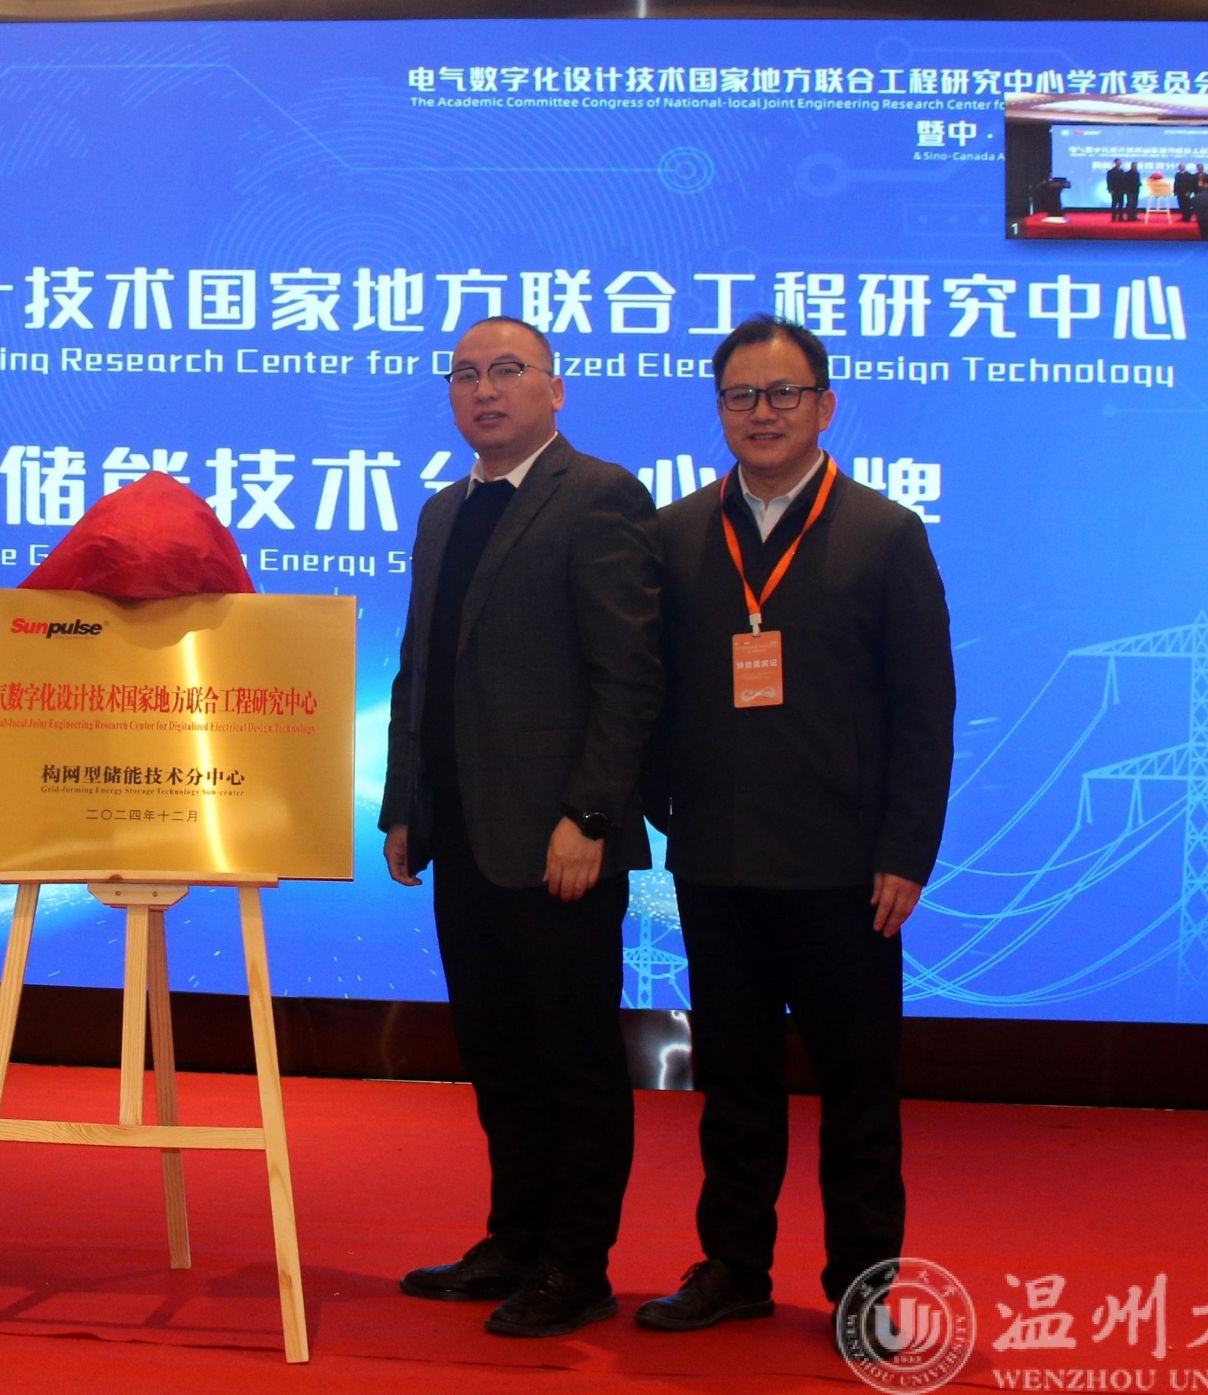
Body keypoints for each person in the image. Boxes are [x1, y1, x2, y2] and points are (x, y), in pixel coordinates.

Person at [637, 316, 953, 1335]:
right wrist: (662, 808)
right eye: (741, 395)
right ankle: (732, 1268)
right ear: (719, 409)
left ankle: (864, 1291)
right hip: (716, 862)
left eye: (782, 394)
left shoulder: (883, 533)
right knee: (733, 1087)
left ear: (824, 405)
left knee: (857, 1095)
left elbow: (924, 710)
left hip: (844, 872)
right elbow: (648, 693)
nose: (761, 413)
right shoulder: (677, 533)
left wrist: (904, 851)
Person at [379, 316, 662, 1338]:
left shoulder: (598, 495)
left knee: (573, 1060)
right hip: (463, 831)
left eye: (506, 371)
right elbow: (419, 668)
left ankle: (577, 1266)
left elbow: (628, 675)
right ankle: (514, 1238)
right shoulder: (443, 511)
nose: (484, 390)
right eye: (465, 374)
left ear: (554, 388)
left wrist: (589, 815)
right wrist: (404, 803)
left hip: (558, 841)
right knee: (497, 1052)